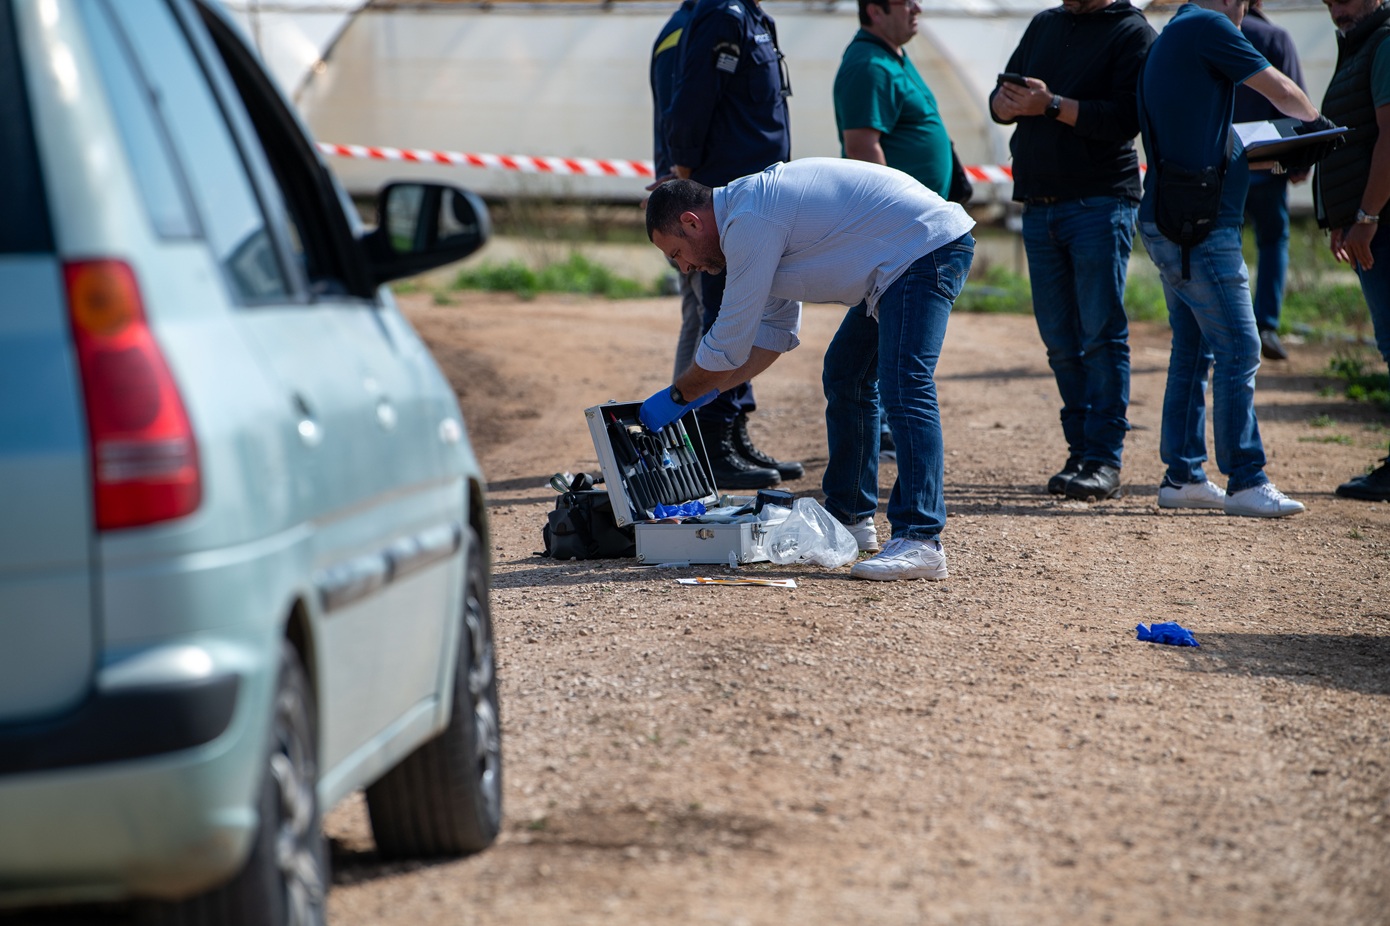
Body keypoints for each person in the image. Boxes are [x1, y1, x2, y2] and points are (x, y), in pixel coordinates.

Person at [639, 159, 975, 580]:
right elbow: (773, 335)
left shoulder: (750, 219)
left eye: (677, 253)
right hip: (898, 263)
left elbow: (729, 340)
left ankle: (920, 539)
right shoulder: (749, 222)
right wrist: (707, 392)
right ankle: (849, 519)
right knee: (846, 373)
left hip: (925, 248)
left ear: (691, 222)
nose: (684, 267)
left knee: (905, 383)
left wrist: (676, 398)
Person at [1137, 0, 1322, 517]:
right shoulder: (1209, 25)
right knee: (1240, 346)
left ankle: (1183, 476)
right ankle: (1245, 478)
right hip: (1200, 228)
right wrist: (1318, 125)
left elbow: (1205, 139)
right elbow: (1279, 89)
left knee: (1193, 350)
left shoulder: (1176, 31)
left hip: (1175, 219)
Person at [988, 0, 1156, 504]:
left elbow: (1126, 118)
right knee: (1060, 341)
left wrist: (1051, 105)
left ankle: (1104, 458)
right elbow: (1000, 100)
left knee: (1101, 335)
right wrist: (1004, 105)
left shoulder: (1132, 31)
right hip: (1039, 204)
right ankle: (1081, 451)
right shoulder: (1046, 23)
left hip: (1099, 202)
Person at [826, 0, 955, 552]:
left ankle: (910, 532)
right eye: (905, 0)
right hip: (900, 247)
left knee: (878, 376)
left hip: (918, 246)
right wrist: (893, 226)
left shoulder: (894, 57)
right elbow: (863, 149)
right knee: (869, 374)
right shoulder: (869, 64)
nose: (918, 7)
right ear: (875, 10)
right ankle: (860, 518)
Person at [663, 0, 801, 490]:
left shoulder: (754, 17)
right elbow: (692, 102)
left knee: (750, 315)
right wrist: (686, 183)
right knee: (728, 319)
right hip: (727, 204)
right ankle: (711, 439)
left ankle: (732, 429)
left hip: (758, 198)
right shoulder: (724, 14)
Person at [1316, 0, 1390, 501]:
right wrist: (1346, 216)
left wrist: (1367, 216)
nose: (1335, 8)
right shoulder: (1361, 45)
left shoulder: (1383, 43)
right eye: (1328, 0)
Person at [1233, 0, 1309, 362]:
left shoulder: (1208, 36)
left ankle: (1231, 325)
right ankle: (1265, 325)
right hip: (1268, 168)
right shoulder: (1276, 38)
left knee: (1224, 244)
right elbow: (1294, 104)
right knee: (1273, 240)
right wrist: (1300, 161)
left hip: (1221, 169)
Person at [649, 0, 704, 380]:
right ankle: (698, 410)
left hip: (681, 190)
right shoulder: (699, 28)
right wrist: (681, 179)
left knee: (697, 312)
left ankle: (685, 407)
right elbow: (686, 120)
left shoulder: (678, 27)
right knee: (707, 310)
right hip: (691, 197)